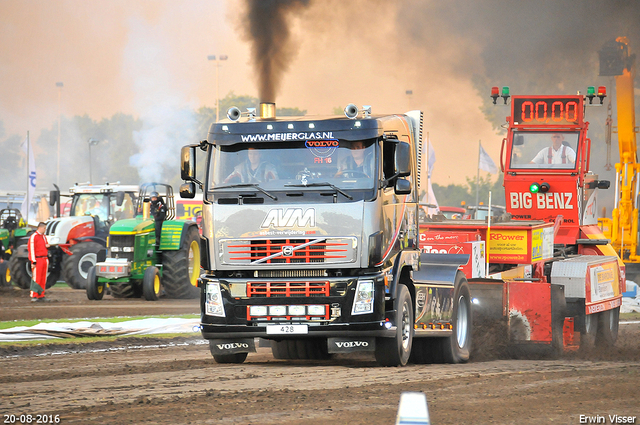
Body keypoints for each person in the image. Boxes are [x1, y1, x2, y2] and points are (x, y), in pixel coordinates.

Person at [28, 222, 49, 302]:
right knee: (36, 277)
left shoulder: (43, 236)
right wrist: (33, 260)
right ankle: (34, 295)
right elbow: (32, 249)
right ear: (40, 228)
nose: (45, 230)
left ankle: (41, 294)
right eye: (44, 228)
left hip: (44, 258)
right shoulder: (34, 237)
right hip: (38, 259)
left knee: (43, 278)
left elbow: (45, 245)